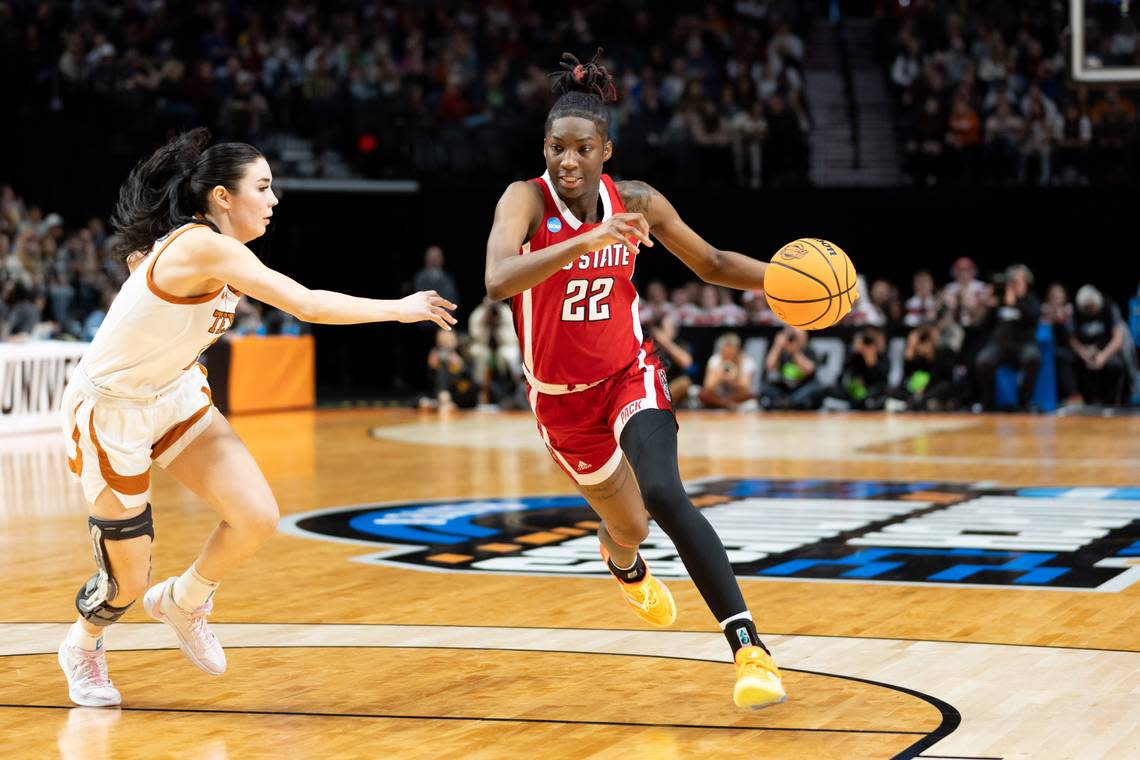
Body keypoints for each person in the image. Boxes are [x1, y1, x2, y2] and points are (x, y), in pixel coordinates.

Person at [57, 128, 455, 708]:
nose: (274, 199)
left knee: (256, 516)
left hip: (172, 394)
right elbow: (309, 304)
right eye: (263, 187)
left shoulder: (206, 248)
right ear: (223, 197)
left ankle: (186, 599)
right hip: (110, 410)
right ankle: (83, 643)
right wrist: (400, 309)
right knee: (126, 583)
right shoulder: (205, 247)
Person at [483, 51, 796, 709]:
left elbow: (710, 262)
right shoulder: (526, 200)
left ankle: (750, 649)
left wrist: (781, 279)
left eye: (581, 149)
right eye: (555, 147)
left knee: (662, 490)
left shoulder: (640, 202)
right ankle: (624, 564)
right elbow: (498, 279)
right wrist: (587, 240)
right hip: (562, 406)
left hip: (630, 375)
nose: (565, 160)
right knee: (629, 528)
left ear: (605, 151)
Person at [974, 264, 1041, 410]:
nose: (1012, 284)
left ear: (1026, 283)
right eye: (1010, 281)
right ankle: (988, 403)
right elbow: (983, 327)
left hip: (1024, 344)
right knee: (983, 361)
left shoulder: (1031, 300)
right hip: (999, 345)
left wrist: (1016, 302)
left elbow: (1034, 318)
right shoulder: (1000, 301)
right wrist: (988, 306)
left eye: (1017, 281)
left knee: (1033, 358)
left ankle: (1023, 401)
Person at [1071, 284, 1128, 405]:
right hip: (1087, 352)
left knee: (1115, 365)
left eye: (1091, 307)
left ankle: (1112, 403)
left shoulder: (1108, 307)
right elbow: (1072, 339)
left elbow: (1118, 338)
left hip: (1106, 350)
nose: (1089, 310)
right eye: (1086, 308)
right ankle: (1086, 401)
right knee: (1071, 362)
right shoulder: (1077, 311)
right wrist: (1084, 353)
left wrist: (1103, 356)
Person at [760, 326, 823, 410]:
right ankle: (787, 402)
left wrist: (795, 352)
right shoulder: (782, 351)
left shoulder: (809, 350)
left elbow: (809, 369)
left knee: (815, 388)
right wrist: (777, 345)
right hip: (785, 386)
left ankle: (791, 402)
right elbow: (769, 367)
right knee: (766, 388)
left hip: (803, 385)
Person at [698, 332, 757, 410]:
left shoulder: (747, 362)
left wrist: (734, 380)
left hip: (736, 396)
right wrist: (720, 377)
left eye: (732, 352)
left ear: (737, 350)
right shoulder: (714, 360)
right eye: (726, 352)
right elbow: (708, 387)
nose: (729, 355)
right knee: (702, 394)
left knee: (751, 394)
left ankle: (723, 405)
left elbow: (746, 388)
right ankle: (728, 405)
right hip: (719, 395)